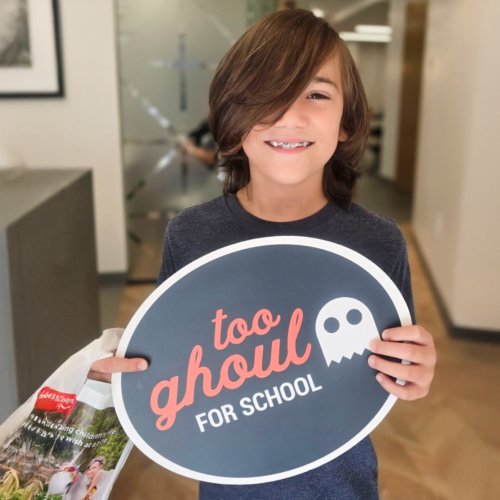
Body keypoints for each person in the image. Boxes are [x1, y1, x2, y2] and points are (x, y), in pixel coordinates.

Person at [89, 9, 436, 499]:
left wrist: (413, 372)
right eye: (265, 94)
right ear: (232, 121)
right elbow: (168, 367)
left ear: (345, 122)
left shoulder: (379, 243)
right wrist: (120, 383)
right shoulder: (189, 236)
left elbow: (384, 375)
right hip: (228, 485)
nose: (290, 115)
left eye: (316, 94)